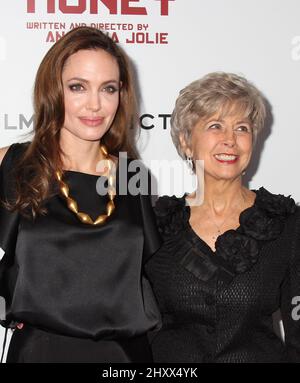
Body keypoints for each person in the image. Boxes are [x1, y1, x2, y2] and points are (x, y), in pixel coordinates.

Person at [0, 26, 161, 363]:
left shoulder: (135, 177)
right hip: (37, 354)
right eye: (78, 87)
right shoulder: (11, 164)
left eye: (108, 89)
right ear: (53, 90)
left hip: (124, 358)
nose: (95, 104)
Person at [145, 72, 300, 363]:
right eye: (215, 126)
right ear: (186, 141)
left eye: (241, 128)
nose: (230, 140)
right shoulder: (156, 226)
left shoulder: (287, 226)